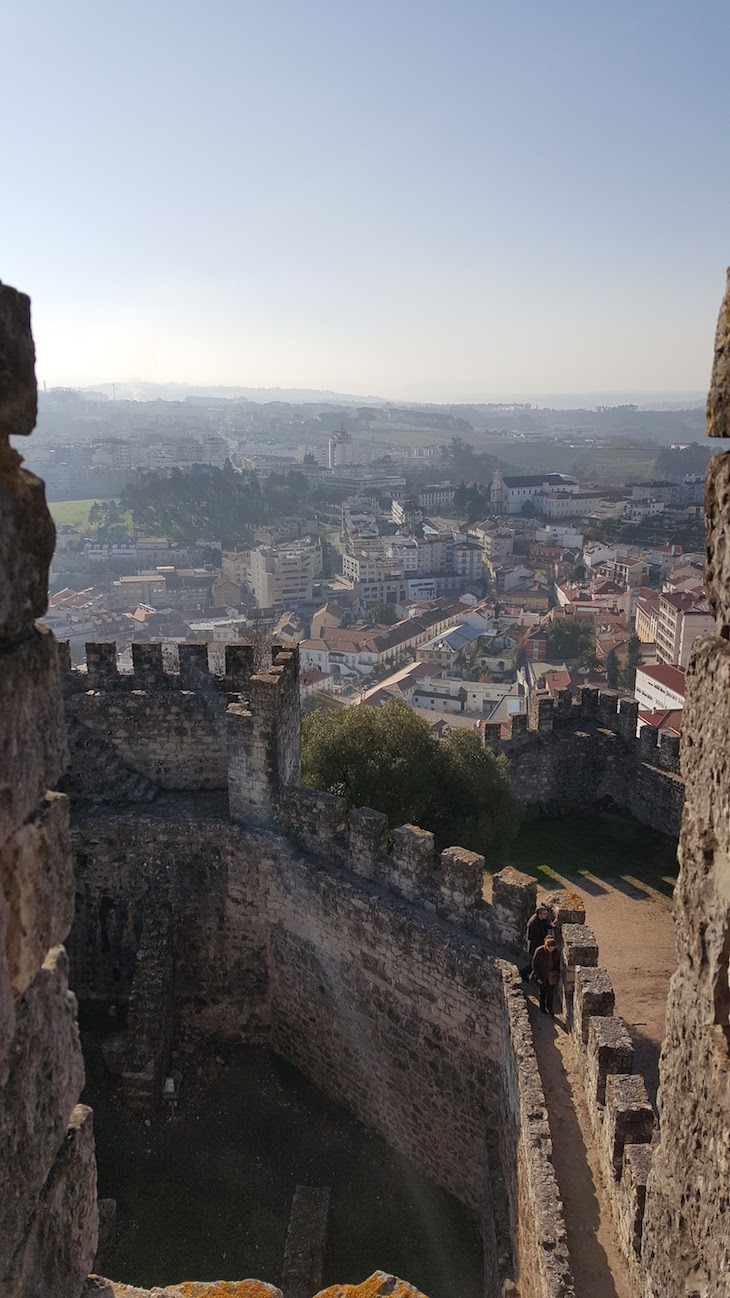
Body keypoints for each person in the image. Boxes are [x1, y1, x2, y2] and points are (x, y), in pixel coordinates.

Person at [521, 903, 553, 979]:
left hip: (539, 944)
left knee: (536, 962)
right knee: (535, 962)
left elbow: (545, 925)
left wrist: (551, 926)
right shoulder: (533, 923)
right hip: (535, 945)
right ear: (540, 914)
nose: (546, 916)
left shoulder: (540, 920)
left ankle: (526, 974)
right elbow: (531, 937)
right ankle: (524, 973)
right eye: (544, 914)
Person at [532, 934, 560, 1016]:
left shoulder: (556, 952)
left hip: (551, 977)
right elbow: (534, 964)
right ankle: (542, 1008)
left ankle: (550, 1009)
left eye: (553, 947)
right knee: (542, 993)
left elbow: (557, 964)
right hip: (541, 976)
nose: (551, 949)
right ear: (546, 946)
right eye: (550, 947)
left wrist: (556, 975)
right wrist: (538, 977)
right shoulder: (539, 951)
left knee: (550, 994)